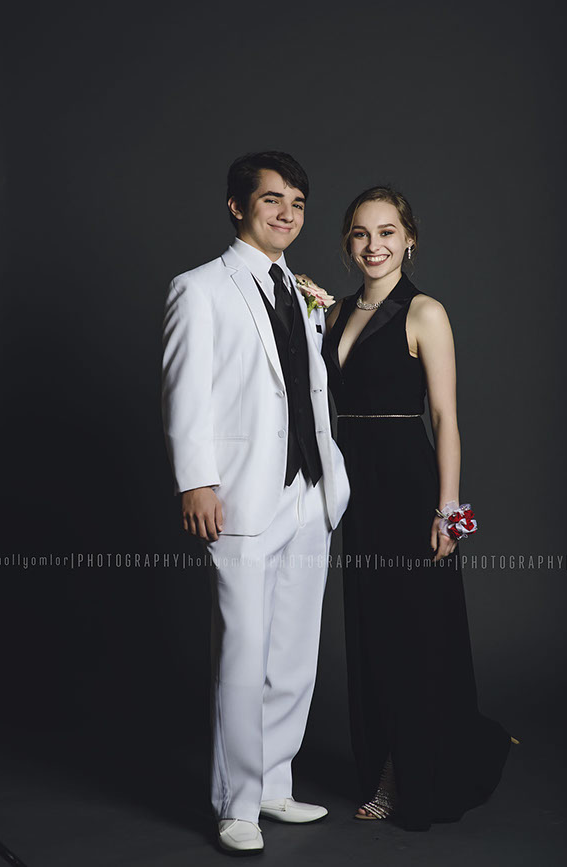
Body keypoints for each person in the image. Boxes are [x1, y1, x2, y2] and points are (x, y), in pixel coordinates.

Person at [161, 152, 350, 853]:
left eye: (297, 203)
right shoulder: (200, 288)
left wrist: (328, 482)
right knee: (243, 651)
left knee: (295, 651)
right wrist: (195, 480)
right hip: (238, 494)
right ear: (237, 206)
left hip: (308, 491)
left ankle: (273, 783)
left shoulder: (299, 292)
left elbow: (304, 388)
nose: (287, 214)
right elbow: (187, 390)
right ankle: (234, 801)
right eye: (272, 200)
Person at [320, 185, 513, 831]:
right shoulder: (335, 311)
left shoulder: (424, 310)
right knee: (371, 628)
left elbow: (445, 417)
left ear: (408, 239)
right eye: (358, 234)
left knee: (415, 633)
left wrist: (451, 516)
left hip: (408, 483)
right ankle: (386, 754)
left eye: (385, 232)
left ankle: (407, 772)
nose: (372, 245)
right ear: (347, 244)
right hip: (354, 486)